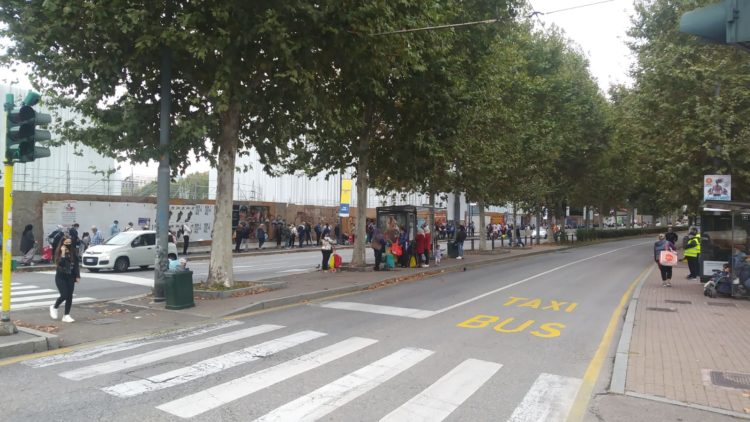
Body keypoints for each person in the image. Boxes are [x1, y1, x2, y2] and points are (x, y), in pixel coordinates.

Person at [49, 236, 80, 323]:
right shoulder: (58, 251)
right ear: (62, 243)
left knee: (70, 296)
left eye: (70, 242)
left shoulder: (73, 251)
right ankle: (54, 307)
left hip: (70, 276)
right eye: (66, 243)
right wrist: (63, 253)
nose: (68, 244)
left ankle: (66, 315)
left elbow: (76, 265)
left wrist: (77, 276)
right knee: (64, 295)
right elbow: (60, 263)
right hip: (61, 277)